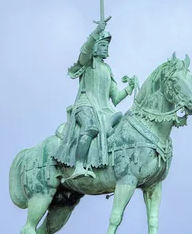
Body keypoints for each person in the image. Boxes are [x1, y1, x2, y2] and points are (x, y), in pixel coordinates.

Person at [54, 18, 136, 180]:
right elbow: (85, 50)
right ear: (96, 48)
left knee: (123, 124)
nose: (107, 50)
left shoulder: (107, 69)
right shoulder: (87, 62)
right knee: (91, 127)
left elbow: (116, 98)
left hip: (104, 110)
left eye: (107, 46)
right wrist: (96, 31)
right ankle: (78, 165)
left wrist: (130, 88)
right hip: (85, 105)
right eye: (104, 46)